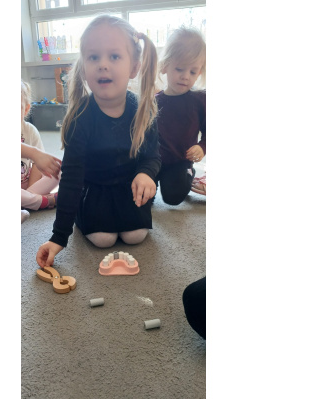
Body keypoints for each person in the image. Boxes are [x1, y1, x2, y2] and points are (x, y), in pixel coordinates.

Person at [36, 15, 160, 268]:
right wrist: (59, 237)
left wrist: (146, 173)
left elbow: (153, 155)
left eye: (114, 56)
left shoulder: (143, 110)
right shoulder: (80, 117)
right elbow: (71, 178)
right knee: (103, 239)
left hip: (128, 190)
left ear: (134, 67)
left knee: (135, 236)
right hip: (95, 191)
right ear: (83, 67)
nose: (103, 64)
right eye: (94, 57)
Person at [155, 27, 207, 204]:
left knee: (173, 197)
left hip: (180, 161)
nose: (185, 77)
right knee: (140, 195)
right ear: (165, 66)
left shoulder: (199, 100)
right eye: (179, 69)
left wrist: (202, 147)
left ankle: (190, 173)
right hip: (153, 161)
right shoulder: (155, 101)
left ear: (199, 73)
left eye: (192, 72)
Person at [21, 80, 61, 214]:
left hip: (27, 187)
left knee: (58, 169)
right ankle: (44, 201)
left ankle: (27, 202)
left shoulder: (30, 130)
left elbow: (38, 164)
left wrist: (30, 192)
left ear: (26, 109)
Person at [21, 142, 61, 223]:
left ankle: (27, 201)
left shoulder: (31, 134)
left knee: (57, 167)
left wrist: (30, 193)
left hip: (27, 189)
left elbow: (37, 161)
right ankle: (48, 201)